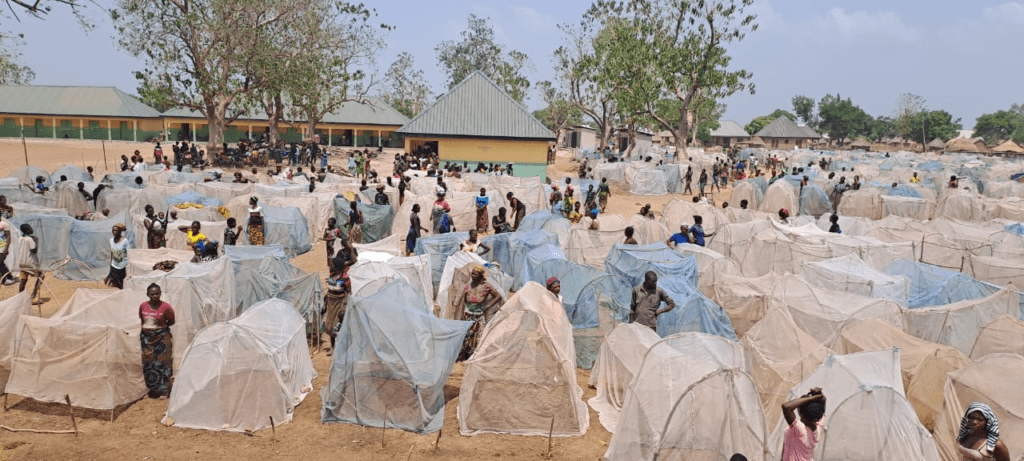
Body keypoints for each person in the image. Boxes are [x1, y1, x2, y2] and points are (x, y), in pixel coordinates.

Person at [456, 265, 504, 361]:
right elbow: (463, 300)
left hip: (479, 314)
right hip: (467, 314)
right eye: (472, 274)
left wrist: (488, 305)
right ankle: (465, 355)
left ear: (481, 275)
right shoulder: (468, 286)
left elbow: (498, 296)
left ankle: (473, 356)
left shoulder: (486, 286)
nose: (473, 275)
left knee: (477, 335)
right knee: (466, 335)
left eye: (475, 274)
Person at [139, 283, 175, 399]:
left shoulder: (166, 307)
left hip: (162, 338)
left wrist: (159, 329)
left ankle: (165, 389)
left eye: (157, 293)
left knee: (163, 362)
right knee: (149, 363)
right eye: (152, 294)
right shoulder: (143, 306)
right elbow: (142, 319)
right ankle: (153, 389)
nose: (155, 296)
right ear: (147, 294)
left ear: (160, 294)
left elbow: (172, 321)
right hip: (147, 339)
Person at [781, 388, 827, 461]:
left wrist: (813, 398)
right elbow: (821, 411)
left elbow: (786, 407)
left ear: (799, 412)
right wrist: (820, 396)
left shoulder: (799, 429)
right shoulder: (817, 431)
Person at [322, 263, 349, 353]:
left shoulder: (343, 279)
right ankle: (334, 347)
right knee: (332, 326)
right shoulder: (333, 278)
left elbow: (348, 292)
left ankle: (338, 348)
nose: (331, 268)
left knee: (337, 324)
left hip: (338, 304)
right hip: (332, 304)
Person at [105, 223, 130, 289]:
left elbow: (129, 254)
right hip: (114, 266)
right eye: (113, 230)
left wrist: (128, 267)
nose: (114, 232)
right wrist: (111, 266)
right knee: (114, 284)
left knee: (122, 284)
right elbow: (112, 253)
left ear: (120, 231)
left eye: (116, 230)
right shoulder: (111, 240)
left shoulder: (125, 241)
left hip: (122, 266)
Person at [0, 220, 14, 285]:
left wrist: (6, 248)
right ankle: (6, 278)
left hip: (2, 247)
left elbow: (8, 236)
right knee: (1, 264)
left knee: (1, 263)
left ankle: (8, 278)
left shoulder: (3, 224)